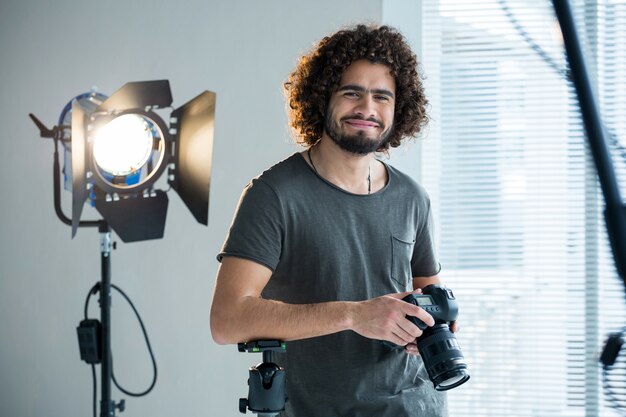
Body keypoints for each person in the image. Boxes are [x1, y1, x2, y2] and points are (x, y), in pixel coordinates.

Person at [210, 24, 456, 417]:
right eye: (351, 92)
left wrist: (432, 323)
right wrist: (355, 314)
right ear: (322, 97)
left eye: (382, 96)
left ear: (399, 109)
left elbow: (429, 291)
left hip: (418, 406)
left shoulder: (413, 197)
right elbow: (227, 319)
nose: (367, 109)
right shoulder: (273, 195)